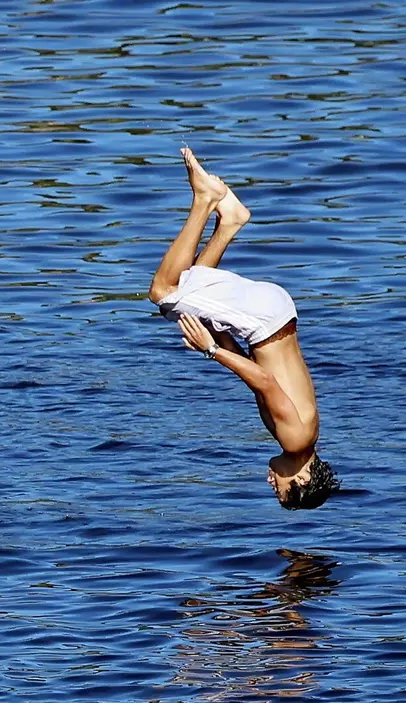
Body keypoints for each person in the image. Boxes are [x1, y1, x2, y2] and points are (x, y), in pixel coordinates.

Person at [148, 147, 338, 509]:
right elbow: (265, 381)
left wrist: (214, 336)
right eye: (278, 489)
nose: (271, 482)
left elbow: (259, 373)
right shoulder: (295, 439)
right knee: (165, 292)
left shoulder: (306, 437)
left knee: (186, 301)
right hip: (264, 322)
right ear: (301, 479)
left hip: (272, 319)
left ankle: (230, 221)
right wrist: (212, 350)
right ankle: (205, 200)